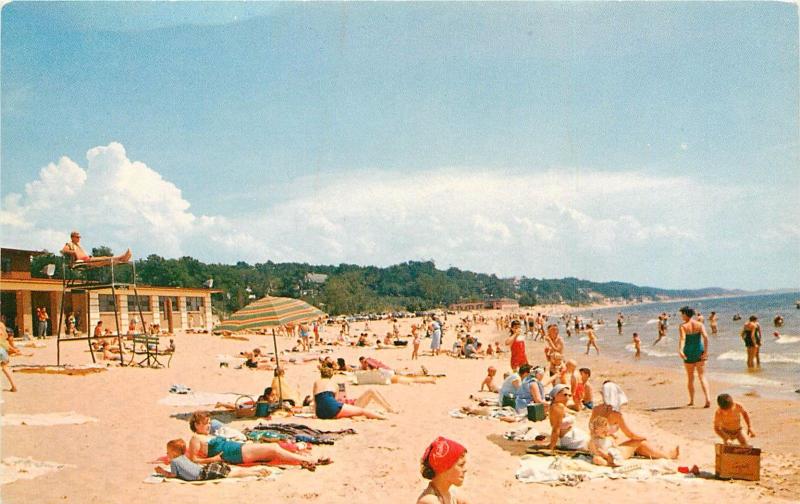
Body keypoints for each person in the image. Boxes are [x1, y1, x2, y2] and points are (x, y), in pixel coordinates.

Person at [187, 411, 328, 470]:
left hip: (236, 448)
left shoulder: (206, 435)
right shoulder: (195, 438)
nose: (209, 426)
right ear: (197, 425)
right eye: (206, 423)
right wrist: (213, 459)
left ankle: (301, 460)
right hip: (234, 452)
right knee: (273, 449)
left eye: (209, 423)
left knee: (273, 451)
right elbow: (193, 459)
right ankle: (309, 460)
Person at [590, 381, 679, 459]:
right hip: (607, 448)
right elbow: (630, 434)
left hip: (596, 446)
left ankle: (660, 453)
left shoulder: (596, 409)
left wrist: (606, 437)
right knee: (640, 443)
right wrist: (642, 437)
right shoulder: (616, 414)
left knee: (637, 446)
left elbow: (591, 428)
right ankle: (667, 456)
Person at [155, 438, 271, 481]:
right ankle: (257, 471)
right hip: (205, 469)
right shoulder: (183, 457)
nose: (166, 454)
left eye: (168, 452)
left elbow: (173, 475)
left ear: (174, 453)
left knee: (232, 475)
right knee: (233, 472)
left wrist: (162, 472)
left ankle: (256, 473)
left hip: (203, 475)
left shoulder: (174, 462)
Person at [312, 365, 388, 419]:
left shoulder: (316, 382)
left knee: (369, 396)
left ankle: (386, 411)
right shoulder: (335, 384)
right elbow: (338, 401)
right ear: (331, 376)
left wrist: (316, 414)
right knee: (363, 411)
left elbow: (315, 400)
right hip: (333, 409)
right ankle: (385, 418)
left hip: (320, 413)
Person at [417, 437, 470, 504]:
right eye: (461, 465)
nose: (465, 470)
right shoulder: (429, 501)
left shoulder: (455, 496)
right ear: (445, 468)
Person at [678, 306, 711, 408]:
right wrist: (705, 352)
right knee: (702, 376)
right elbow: (706, 337)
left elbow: (683, 339)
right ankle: (708, 398)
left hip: (688, 352)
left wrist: (680, 350)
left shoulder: (683, 326)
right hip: (699, 351)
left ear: (685, 314)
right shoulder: (699, 324)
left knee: (690, 378)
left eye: (682, 314)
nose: (681, 316)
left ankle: (692, 401)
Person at [546, 384, 589, 451]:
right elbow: (555, 428)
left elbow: (577, 409)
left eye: (569, 395)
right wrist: (551, 447)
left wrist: (578, 400)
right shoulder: (558, 406)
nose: (567, 397)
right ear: (555, 395)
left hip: (573, 435)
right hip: (570, 438)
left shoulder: (559, 406)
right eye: (565, 395)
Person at [61, 231, 132, 265]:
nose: (79, 238)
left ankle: (122, 259)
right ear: (72, 237)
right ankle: (121, 257)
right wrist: (73, 252)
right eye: (77, 237)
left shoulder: (77, 245)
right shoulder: (70, 244)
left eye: (79, 237)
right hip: (85, 261)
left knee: (105, 259)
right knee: (104, 259)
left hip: (88, 259)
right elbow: (63, 250)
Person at [0, 316, 18, 392]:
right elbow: (5, 338)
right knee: (5, 368)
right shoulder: (2, 325)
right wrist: (13, 349)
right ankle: (14, 386)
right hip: (3, 349)